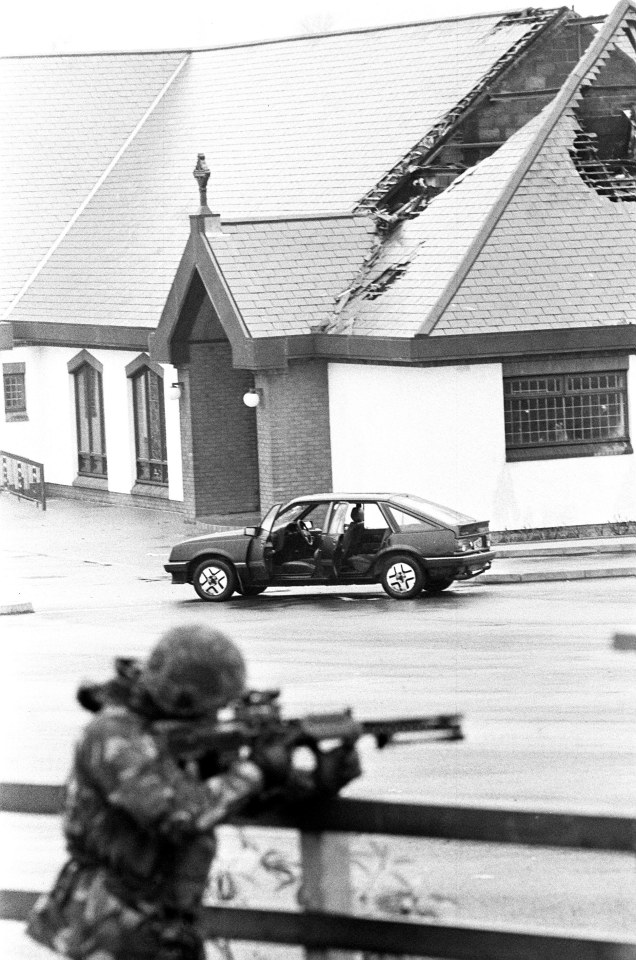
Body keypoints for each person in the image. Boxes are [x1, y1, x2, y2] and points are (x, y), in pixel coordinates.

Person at [27, 624, 360, 960]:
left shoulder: (165, 737)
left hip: (162, 923)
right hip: (109, 921)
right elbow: (179, 816)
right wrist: (256, 769)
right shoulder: (114, 735)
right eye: (211, 708)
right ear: (183, 699)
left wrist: (315, 782)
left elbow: (226, 800)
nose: (215, 717)